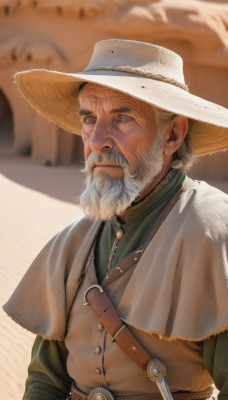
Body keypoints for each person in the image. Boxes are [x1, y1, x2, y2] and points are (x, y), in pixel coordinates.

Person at [3, 39, 228, 400]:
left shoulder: (213, 232)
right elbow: (45, 380)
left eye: (122, 118)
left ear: (173, 134)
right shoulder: (72, 244)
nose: (98, 140)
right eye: (89, 119)